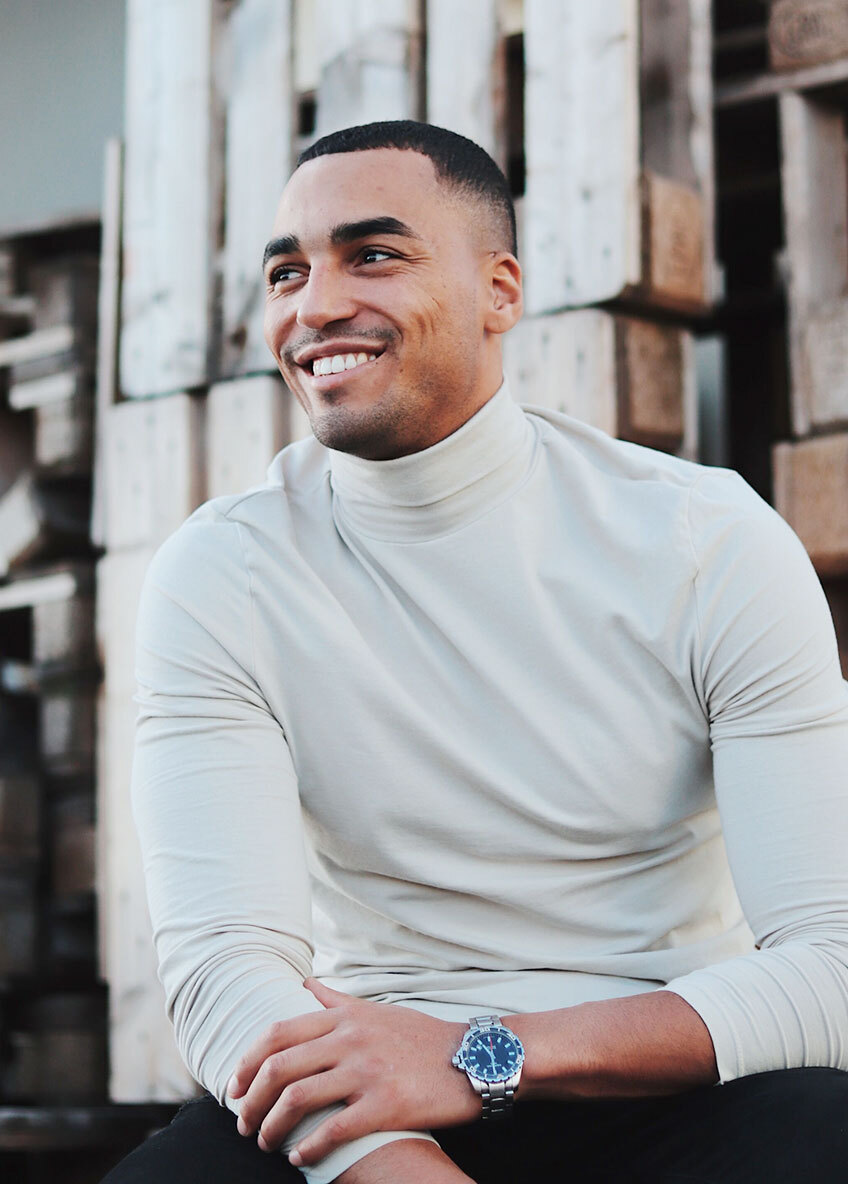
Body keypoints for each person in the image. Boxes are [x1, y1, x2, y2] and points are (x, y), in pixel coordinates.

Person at [103, 121, 848, 1184]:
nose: (314, 306)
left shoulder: (703, 541)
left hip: (664, 1079)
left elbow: (833, 966)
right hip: (375, 1095)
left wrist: (478, 1055)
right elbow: (225, 970)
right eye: (287, 272)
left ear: (499, 291)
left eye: (372, 254)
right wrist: (396, 1156)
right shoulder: (224, 572)